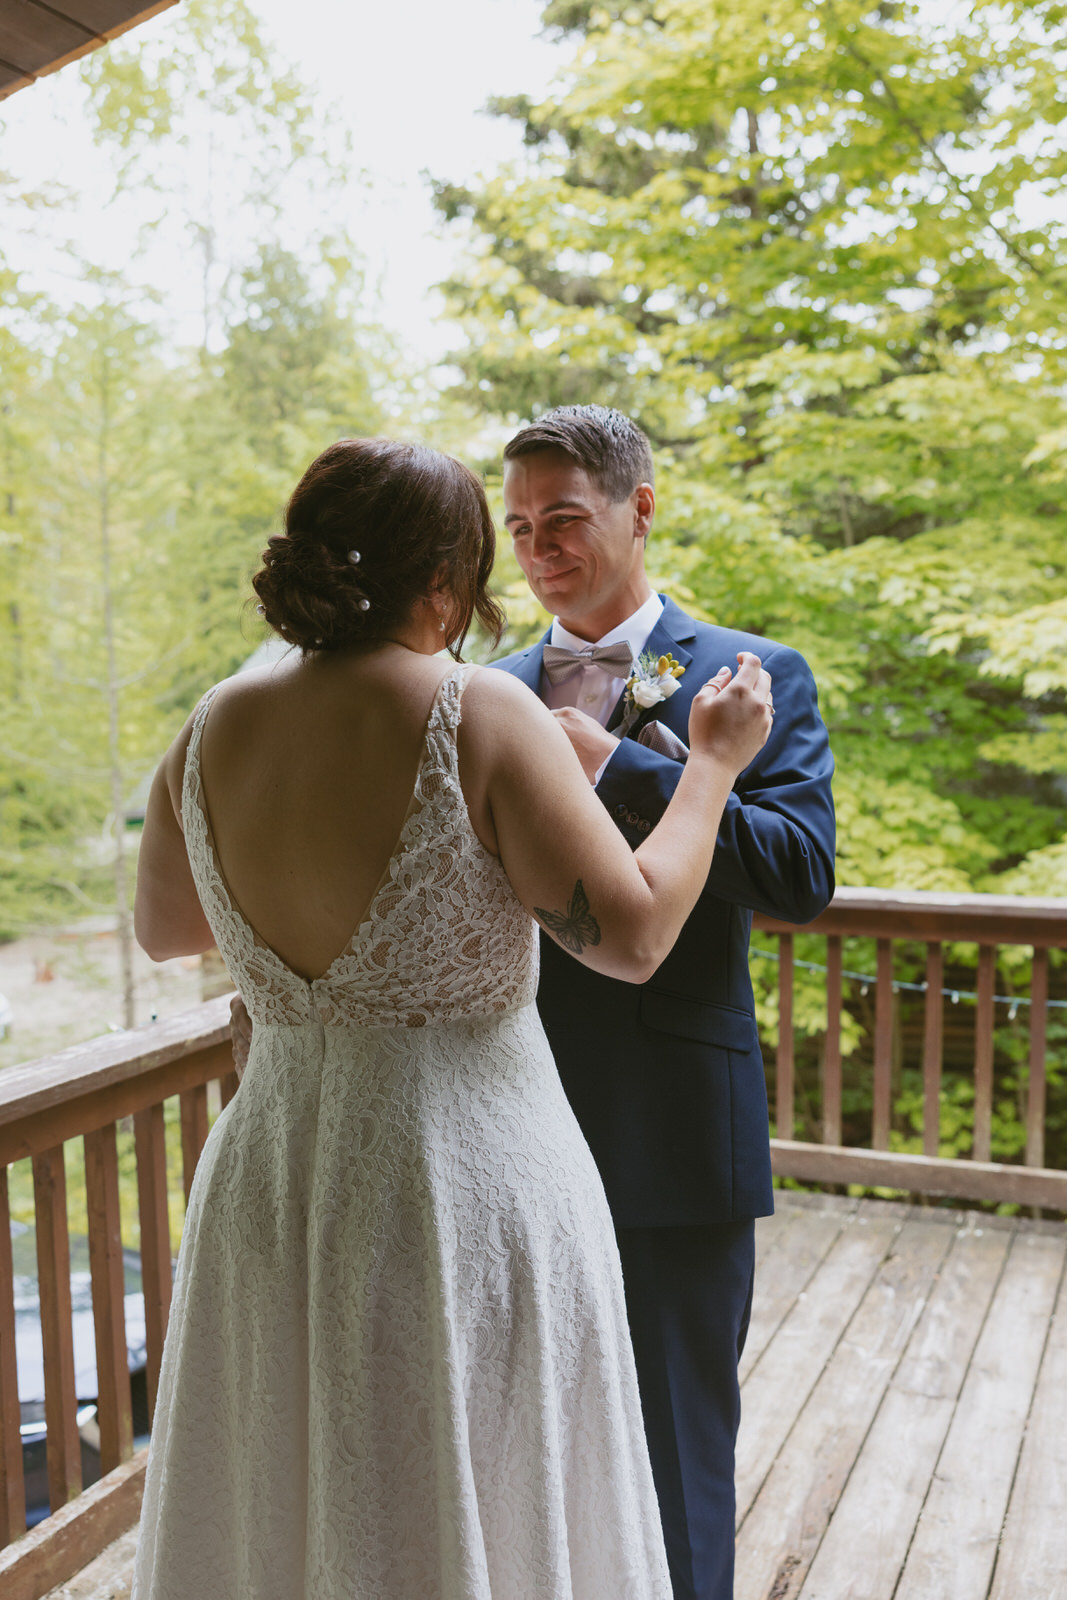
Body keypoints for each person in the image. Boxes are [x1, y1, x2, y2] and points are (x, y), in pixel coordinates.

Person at [131, 436, 774, 1600]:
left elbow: (168, 927)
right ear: (446, 575)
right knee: (480, 1481)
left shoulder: (214, 722)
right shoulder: (476, 708)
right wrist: (711, 770)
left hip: (275, 1171)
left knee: (296, 1479)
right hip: (460, 1179)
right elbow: (629, 937)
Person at [493, 405, 836, 1600]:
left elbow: (798, 875)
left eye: (565, 519)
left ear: (641, 508)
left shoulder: (747, 674)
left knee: (678, 1446)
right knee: (512, 1443)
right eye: (520, 524)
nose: (537, 546)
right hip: (496, 1117)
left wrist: (630, 763)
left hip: (672, 1124)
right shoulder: (481, 690)